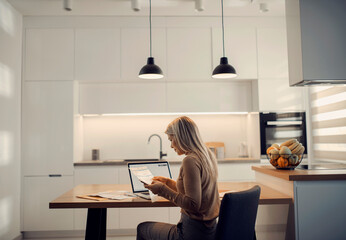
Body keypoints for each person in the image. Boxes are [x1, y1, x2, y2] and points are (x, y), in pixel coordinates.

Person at [137, 116, 220, 240]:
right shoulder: (206, 155)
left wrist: (162, 190)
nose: (171, 146)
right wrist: (168, 182)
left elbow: (193, 204)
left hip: (191, 234)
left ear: (181, 137)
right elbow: (195, 190)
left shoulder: (190, 161)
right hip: (209, 231)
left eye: (171, 140)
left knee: (143, 228)